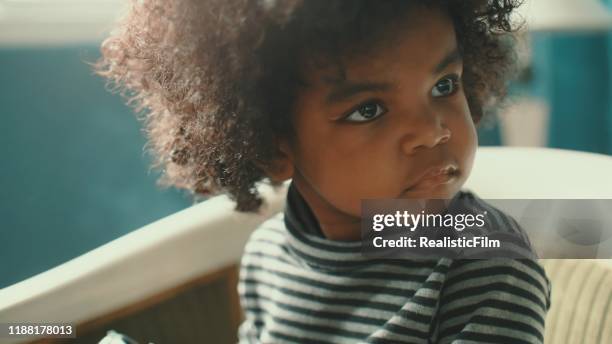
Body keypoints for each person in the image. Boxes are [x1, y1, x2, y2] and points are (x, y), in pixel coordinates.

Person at [97, 0, 551, 342]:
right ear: (275, 147)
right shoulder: (267, 258)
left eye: (444, 85)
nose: (431, 132)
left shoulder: (489, 264)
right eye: (369, 109)